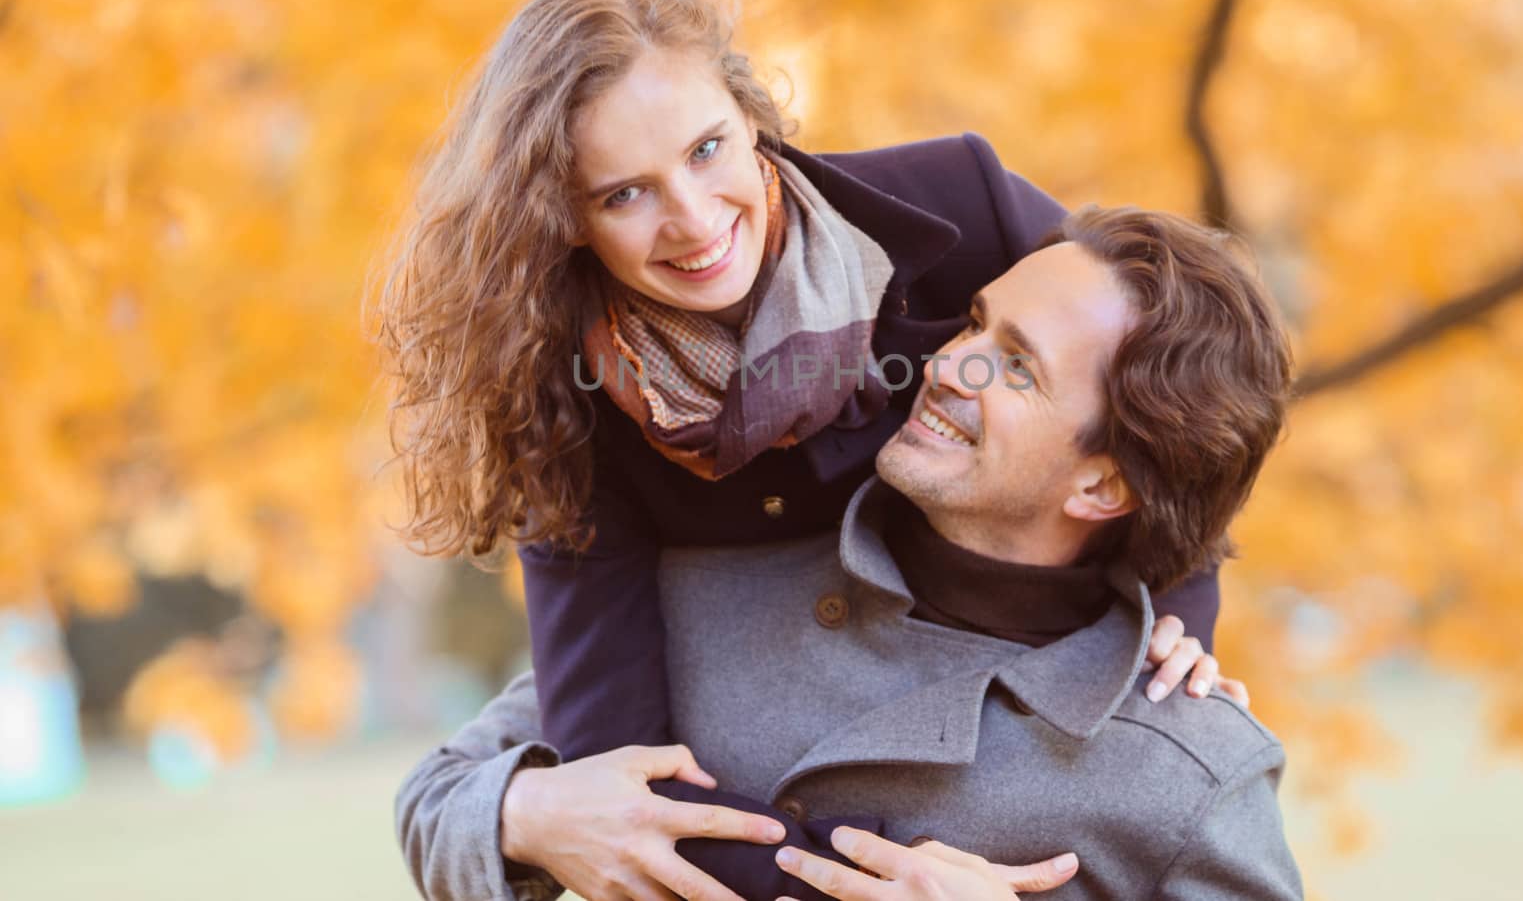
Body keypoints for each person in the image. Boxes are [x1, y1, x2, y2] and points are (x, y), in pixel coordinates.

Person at [376, 0, 1242, 899]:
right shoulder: (565, 408)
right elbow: (632, 795)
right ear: (565, 222)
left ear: (751, 120)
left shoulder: (963, 205)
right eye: (624, 194)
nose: (695, 220)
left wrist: (1175, 622)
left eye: (708, 149)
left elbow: (1166, 397)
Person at [396, 205, 1302, 901]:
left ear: (1103, 487)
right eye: (975, 322)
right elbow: (435, 797)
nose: (950, 364)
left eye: (1018, 367)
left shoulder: (1190, 767)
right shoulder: (707, 587)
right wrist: (528, 813)